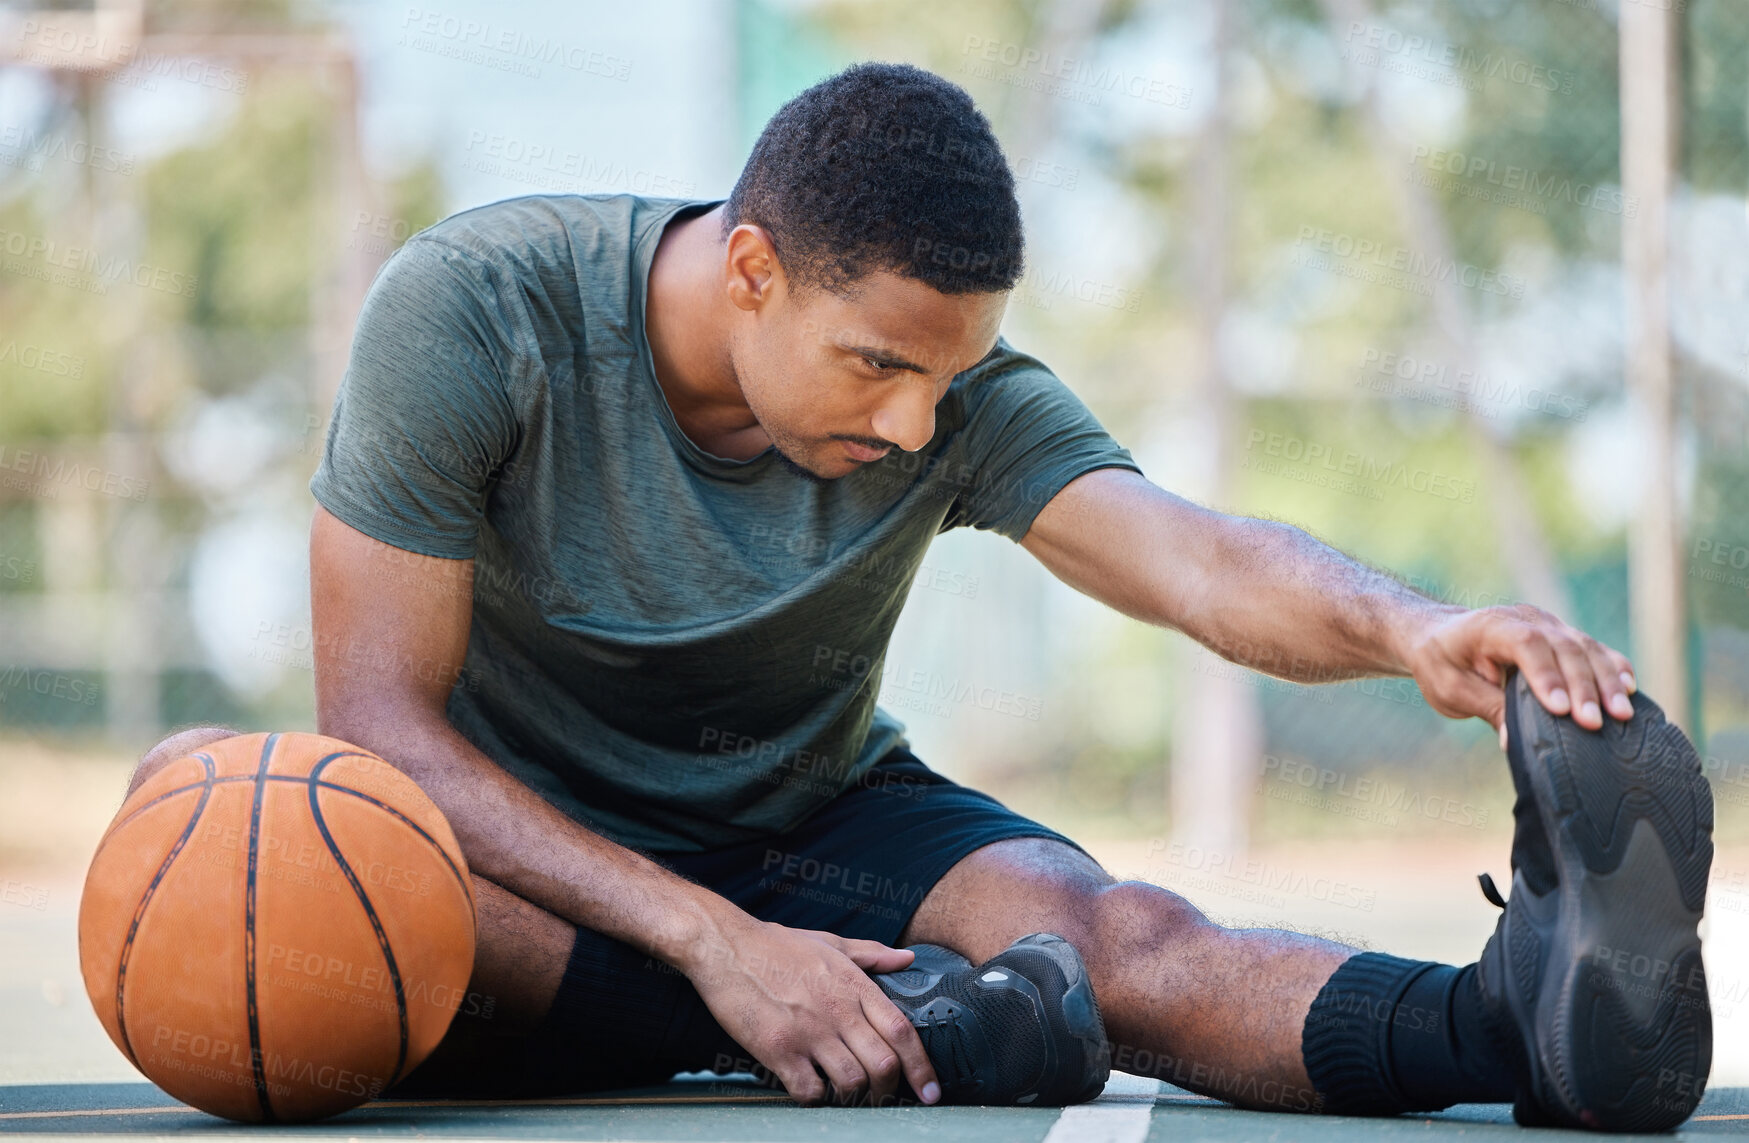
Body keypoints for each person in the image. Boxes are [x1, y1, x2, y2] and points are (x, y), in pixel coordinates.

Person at [127, 62, 1712, 1129]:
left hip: (811, 812)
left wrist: (1414, 631)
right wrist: (714, 946)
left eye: (938, 379)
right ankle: (920, 1026)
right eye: (877, 362)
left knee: (1115, 937)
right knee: (231, 829)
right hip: (516, 849)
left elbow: (1190, 554)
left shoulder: (948, 396)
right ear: (750, 271)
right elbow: (382, 731)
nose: (908, 424)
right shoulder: (478, 311)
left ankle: (1505, 1024)